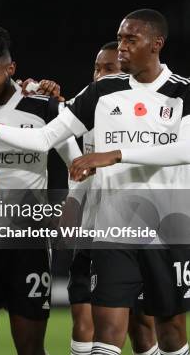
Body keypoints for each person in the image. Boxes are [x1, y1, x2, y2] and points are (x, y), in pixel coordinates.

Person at [0, 9, 190, 355]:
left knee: (170, 331)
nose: (121, 47)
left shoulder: (183, 92)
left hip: (166, 229)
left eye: (130, 39)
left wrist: (115, 155)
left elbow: (185, 150)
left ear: (157, 43)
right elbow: (46, 137)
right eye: (120, 38)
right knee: (106, 329)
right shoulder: (102, 91)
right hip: (113, 228)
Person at [0, 25, 82, 355]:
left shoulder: (43, 106)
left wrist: (72, 202)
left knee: (30, 347)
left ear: (10, 69)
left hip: (27, 244)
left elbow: (77, 163)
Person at [66, 41, 159, 355]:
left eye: (108, 69)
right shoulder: (89, 115)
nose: (99, 75)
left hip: (134, 234)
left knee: (142, 326)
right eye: (96, 68)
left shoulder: (146, 118)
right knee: (83, 315)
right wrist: (73, 203)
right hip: (91, 232)